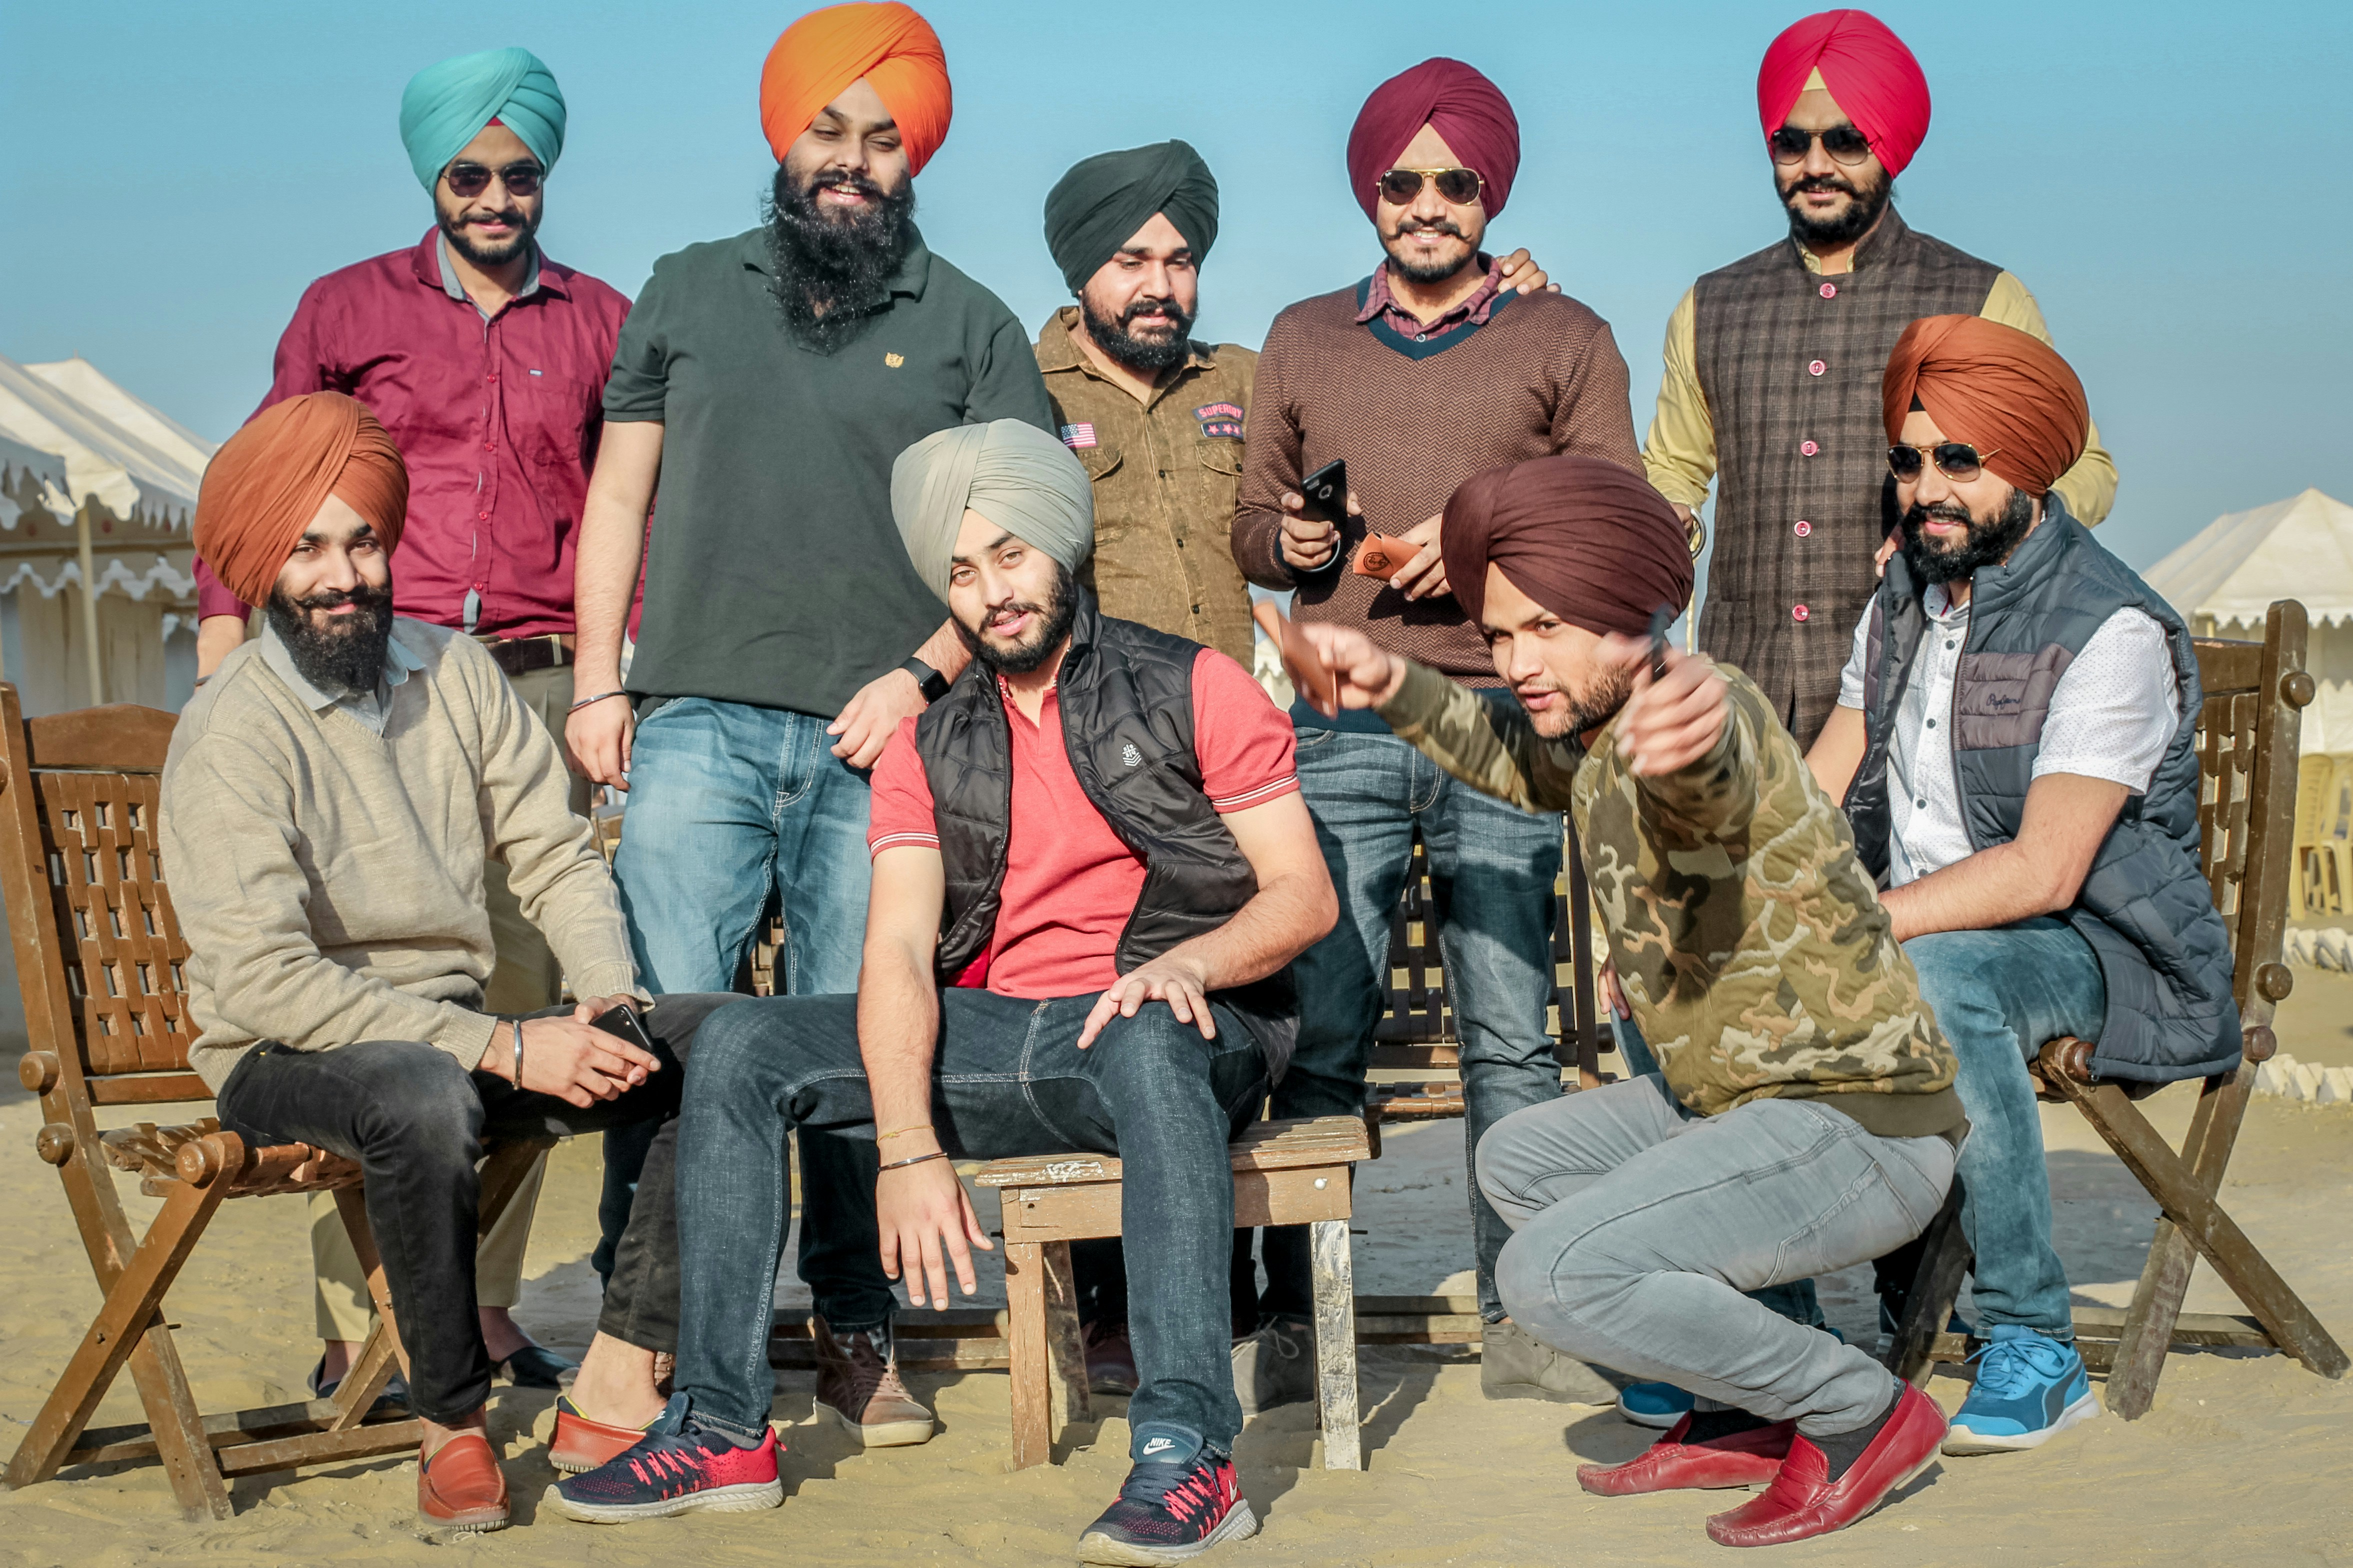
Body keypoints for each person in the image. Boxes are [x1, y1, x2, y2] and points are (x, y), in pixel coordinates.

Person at [551, 420, 1334, 1566]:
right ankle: (721, 1428)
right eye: (962, 574)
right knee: (737, 1050)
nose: (992, 595)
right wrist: (909, 1148)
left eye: (1011, 557)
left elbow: (1302, 897)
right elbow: (899, 949)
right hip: (999, 1034)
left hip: (1166, 1019)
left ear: (1064, 550)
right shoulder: (928, 741)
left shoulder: (1193, 685)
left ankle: (1185, 1454)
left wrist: (1188, 964)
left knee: (1155, 1035)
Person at [1288, 452, 1964, 1547]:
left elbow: (1712, 771)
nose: (1516, 662)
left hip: (1856, 1124)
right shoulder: (1596, 741)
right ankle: (1745, 1409)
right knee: (1518, 1160)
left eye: (1546, 628)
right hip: (1739, 1111)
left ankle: (1857, 1412)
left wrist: (1689, 731)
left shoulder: (1707, 712)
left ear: (1629, 614)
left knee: (1550, 1276)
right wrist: (1384, 682)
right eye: (1501, 634)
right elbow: (1513, 761)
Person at [563, 0, 1054, 1388]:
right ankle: (641, 1329)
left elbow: (1025, 542)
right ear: (786, 138)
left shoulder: (969, 321)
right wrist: (601, 682)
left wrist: (921, 676)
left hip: (881, 738)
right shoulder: (685, 286)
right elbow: (619, 495)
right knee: (666, 1026)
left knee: (857, 1036)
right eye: (829, 131)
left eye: (883, 140)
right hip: (694, 721)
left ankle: (858, 1323)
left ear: (916, 159)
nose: (852, 160)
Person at [1032, 136, 1556, 1395]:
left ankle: (1274, 1308)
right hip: (1097, 753)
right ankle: (1133, 1313)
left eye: (1180, 258)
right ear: (1082, 269)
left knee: (1263, 1019)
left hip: (1246, 748)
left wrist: (1507, 299)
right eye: (1132, 258)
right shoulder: (1020, 376)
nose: (1160, 282)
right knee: (1130, 1006)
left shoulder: (1253, 368)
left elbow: (1297, 497)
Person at [161, 394, 726, 1535]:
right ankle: (451, 1424)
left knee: (711, 1039)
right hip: (285, 1053)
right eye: (309, 548)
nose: (343, 574)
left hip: (454, 1029)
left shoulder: (456, 672)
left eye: (362, 541)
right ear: (265, 564)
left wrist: (610, 995)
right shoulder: (231, 729)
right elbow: (263, 977)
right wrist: (505, 1042)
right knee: (420, 1092)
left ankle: (621, 1365)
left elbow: (558, 857)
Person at [188, 46, 634, 1394]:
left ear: (544, 178)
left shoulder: (601, 318)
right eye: (470, 173)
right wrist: (224, 639)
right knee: (365, 1003)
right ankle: (358, 1327)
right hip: (367, 670)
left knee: (516, 1003)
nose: (497, 196)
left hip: (539, 686)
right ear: (430, 178)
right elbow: (275, 468)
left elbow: (635, 503)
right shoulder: (346, 307)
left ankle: (481, 1313)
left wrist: (616, 675)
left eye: (521, 174)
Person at [1229, 55, 1642, 1407]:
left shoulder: (1564, 335)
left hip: (1500, 719)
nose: (1424, 202)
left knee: (1510, 1033)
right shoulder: (1300, 335)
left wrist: (1475, 560)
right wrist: (1291, 540)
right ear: (1369, 191)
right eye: (1400, 180)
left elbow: (1610, 525)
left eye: (1452, 181)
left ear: (1488, 191)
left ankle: (1533, 1327)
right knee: (1319, 1026)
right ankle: (1301, 1327)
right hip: (1337, 718)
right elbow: (1250, 523)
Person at [1801, 317, 2240, 1454]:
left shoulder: (2110, 627)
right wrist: (1728, 909)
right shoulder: (1900, 600)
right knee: (1695, 964)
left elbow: (2047, 869)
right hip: (1931, 926)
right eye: (1907, 460)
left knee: (1946, 978)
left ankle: (2032, 1341)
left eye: (1959, 460)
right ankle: (1766, 1342)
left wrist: (1852, 925)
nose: (1926, 488)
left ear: (2030, 464)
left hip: (2102, 950)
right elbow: (1818, 784)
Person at [1642, 8, 2119, 751]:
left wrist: (1975, 530)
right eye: (1791, 142)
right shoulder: (1710, 305)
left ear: (1888, 146)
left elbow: (2082, 469)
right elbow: (1673, 471)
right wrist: (1667, 523)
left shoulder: (1982, 297)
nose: (1815, 165)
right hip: (1742, 703)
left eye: (1845, 140)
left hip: (1924, 699)